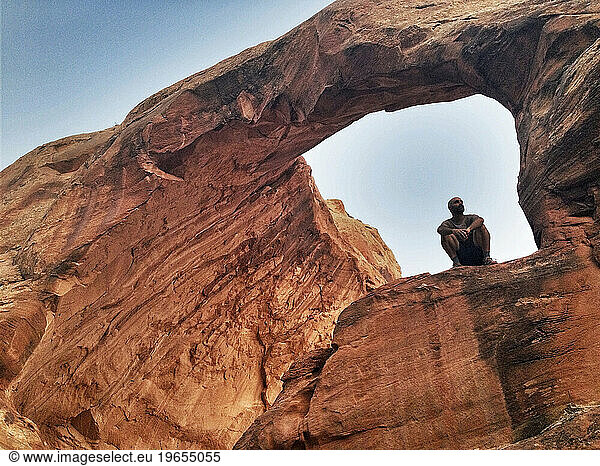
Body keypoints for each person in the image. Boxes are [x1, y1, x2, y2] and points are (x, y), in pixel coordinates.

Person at [437, 197, 497, 267]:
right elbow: (440, 229)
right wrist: (453, 231)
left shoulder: (470, 217)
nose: (460, 203)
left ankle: (487, 258)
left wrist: (469, 229)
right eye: (456, 202)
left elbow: (480, 220)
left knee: (481, 227)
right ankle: (456, 263)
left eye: (461, 202)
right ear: (450, 208)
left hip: (477, 252)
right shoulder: (448, 223)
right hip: (462, 256)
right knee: (445, 234)